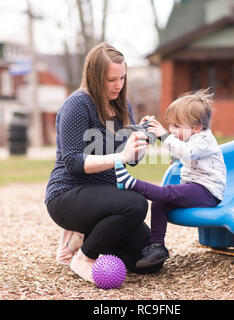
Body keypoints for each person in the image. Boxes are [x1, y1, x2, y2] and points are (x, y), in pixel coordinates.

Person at [45, 43, 160, 282]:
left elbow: (130, 160)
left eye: (122, 78)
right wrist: (122, 156)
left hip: (106, 199)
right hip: (68, 195)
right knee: (137, 204)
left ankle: (81, 238)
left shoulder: (123, 106)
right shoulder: (77, 105)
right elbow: (73, 162)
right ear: (94, 77)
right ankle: (84, 257)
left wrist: (141, 143)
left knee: (148, 261)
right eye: (111, 80)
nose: (118, 85)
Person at [114, 89, 227, 268]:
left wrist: (164, 136)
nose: (171, 130)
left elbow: (188, 152)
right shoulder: (192, 136)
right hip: (194, 187)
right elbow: (179, 149)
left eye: (176, 126)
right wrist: (153, 129)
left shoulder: (205, 139)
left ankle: (130, 183)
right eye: (170, 126)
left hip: (207, 192)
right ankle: (157, 246)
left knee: (165, 192)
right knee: (159, 203)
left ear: (197, 127)